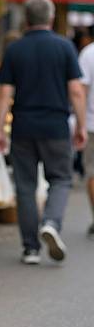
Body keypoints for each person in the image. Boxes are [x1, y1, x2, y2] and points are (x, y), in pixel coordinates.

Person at [0, 0, 87, 265]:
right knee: (60, 179)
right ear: (50, 18)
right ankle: (50, 223)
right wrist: (81, 125)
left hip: (23, 126)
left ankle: (31, 248)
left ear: (26, 19)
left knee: (25, 185)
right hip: (56, 126)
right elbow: (76, 91)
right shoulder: (65, 47)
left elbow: (4, 93)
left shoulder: (15, 49)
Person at [78, 39, 94, 238]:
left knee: (92, 171)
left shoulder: (89, 53)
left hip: (92, 123)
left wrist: (79, 123)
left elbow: (79, 91)